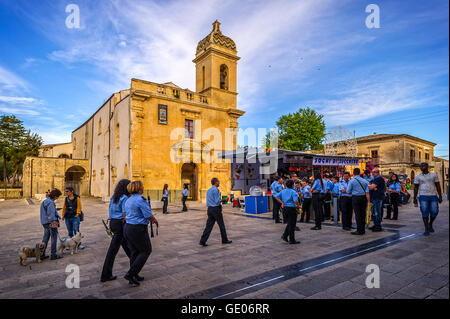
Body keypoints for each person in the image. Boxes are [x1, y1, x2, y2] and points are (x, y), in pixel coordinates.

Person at [123, 181, 158, 286]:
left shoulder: (128, 200)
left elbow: (125, 213)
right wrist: (155, 220)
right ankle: (130, 274)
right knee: (146, 250)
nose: (143, 188)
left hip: (128, 227)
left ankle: (134, 275)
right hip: (137, 229)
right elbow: (148, 215)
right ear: (139, 189)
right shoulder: (140, 200)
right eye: (142, 186)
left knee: (135, 252)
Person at [101, 179, 132, 283]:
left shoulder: (114, 197)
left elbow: (110, 210)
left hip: (113, 223)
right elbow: (125, 213)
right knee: (113, 250)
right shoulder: (125, 198)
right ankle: (105, 274)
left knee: (128, 248)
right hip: (120, 224)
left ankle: (134, 271)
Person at [199, 178, 232, 246]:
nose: (219, 183)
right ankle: (224, 239)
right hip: (216, 209)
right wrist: (225, 199)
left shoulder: (208, 190)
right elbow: (217, 201)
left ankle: (202, 241)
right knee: (221, 225)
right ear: (216, 182)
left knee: (208, 226)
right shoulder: (216, 190)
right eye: (218, 182)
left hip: (210, 209)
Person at [413, 162, 443, 235]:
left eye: (423, 165)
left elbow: (438, 185)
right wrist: (414, 198)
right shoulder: (418, 176)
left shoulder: (433, 175)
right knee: (424, 212)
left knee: (434, 211)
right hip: (423, 196)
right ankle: (426, 229)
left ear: (427, 166)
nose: (421, 167)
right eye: (420, 166)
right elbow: (416, 188)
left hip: (433, 196)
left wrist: (440, 196)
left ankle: (430, 223)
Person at [274, 179, 301, 244]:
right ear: (292, 185)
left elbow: (276, 196)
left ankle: (285, 236)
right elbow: (295, 201)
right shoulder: (293, 192)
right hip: (291, 208)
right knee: (292, 225)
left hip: (285, 208)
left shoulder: (283, 191)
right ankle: (291, 239)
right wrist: (298, 206)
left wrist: (282, 203)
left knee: (289, 223)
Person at [40, 189, 63, 260]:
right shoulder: (50, 202)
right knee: (54, 238)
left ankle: (41, 254)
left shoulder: (45, 201)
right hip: (51, 222)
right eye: (57, 197)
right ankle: (53, 254)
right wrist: (53, 222)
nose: (57, 198)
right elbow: (51, 214)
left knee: (45, 238)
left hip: (45, 222)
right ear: (55, 196)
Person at [346, 168, 370, 235]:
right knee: (363, 214)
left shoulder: (352, 181)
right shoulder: (365, 181)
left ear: (353, 173)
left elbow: (348, 191)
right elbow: (367, 191)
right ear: (359, 173)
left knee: (358, 214)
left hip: (355, 198)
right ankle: (363, 229)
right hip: (363, 198)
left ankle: (359, 230)